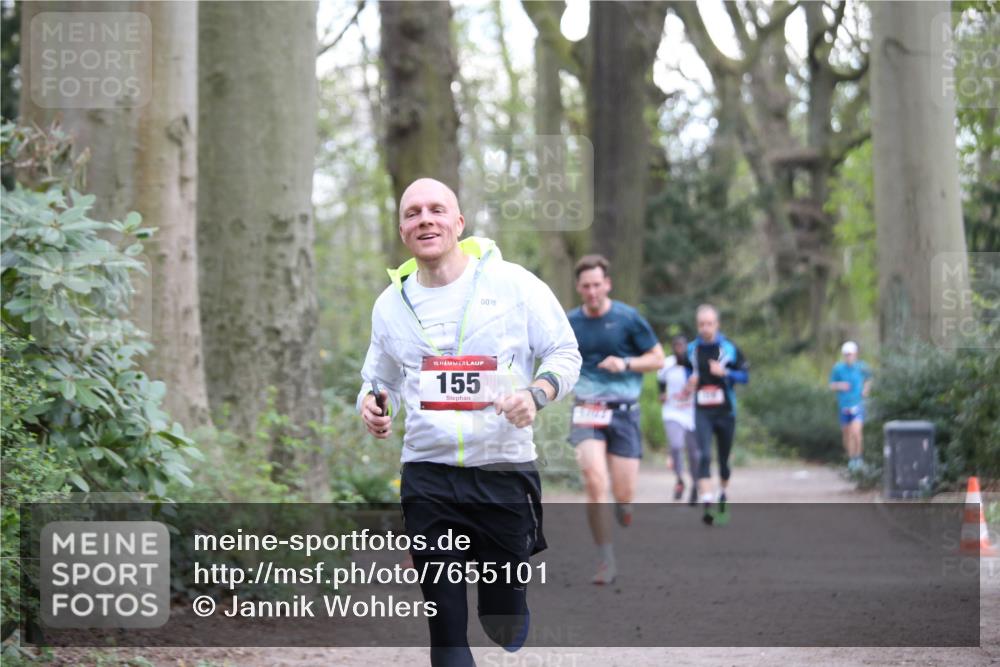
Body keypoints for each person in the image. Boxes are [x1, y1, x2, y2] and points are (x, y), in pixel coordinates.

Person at [358, 178, 581, 667]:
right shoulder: (390, 305)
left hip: (503, 470)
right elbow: (379, 379)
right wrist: (374, 405)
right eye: (413, 213)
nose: (425, 219)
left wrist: (536, 394)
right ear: (402, 230)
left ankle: (507, 606)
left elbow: (564, 353)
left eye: (436, 210)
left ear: (458, 222)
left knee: (504, 622)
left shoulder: (514, 285)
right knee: (446, 632)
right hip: (428, 476)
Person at [567, 255, 664, 585]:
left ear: (607, 284)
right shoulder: (569, 322)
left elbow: (658, 359)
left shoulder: (628, 318)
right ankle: (605, 559)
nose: (592, 292)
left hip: (623, 412)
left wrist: (626, 364)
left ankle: (625, 506)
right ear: (578, 288)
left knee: (623, 492)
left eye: (597, 285)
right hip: (586, 411)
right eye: (586, 286)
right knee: (595, 482)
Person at [686, 304, 749, 526]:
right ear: (697, 325)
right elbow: (686, 374)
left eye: (709, 323)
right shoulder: (691, 349)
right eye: (701, 324)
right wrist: (689, 382)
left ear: (717, 324)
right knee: (703, 454)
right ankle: (707, 502)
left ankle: (722, 493)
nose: (705, 328)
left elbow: (745, 376)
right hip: (702, 410)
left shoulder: (729, 348)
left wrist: (726, 373)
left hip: (725, 411)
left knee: (723, 461)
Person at [657, 334, 699, 505]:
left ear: (687, 347)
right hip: (672, 412)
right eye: (676, 346)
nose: (679, 349)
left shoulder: (695, 364)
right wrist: (662, 393)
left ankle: (696, 484)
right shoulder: (667, 364)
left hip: (693, 413)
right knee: (676, 446)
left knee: (695, 454)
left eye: (682, 345)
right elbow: (660, 381)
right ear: (673, 347)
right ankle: (680, 479)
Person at [829, 340, 872, 471]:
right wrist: (840, 385)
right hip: (844, 406)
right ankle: (851, 459)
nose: (849, 357)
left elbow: (869, 379)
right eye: (846, 354)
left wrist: (866, 389)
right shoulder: (838, 368)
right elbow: (831, 385)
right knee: (847, 435)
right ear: (843, 355)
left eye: (851, 354)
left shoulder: (862, 367)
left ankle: (859, 458)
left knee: (856, 432)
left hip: (857, 404)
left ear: (855, 354)